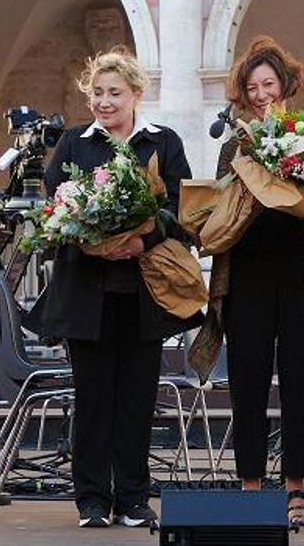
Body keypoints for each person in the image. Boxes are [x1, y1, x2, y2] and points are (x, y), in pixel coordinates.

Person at [25, 47, 203, 528]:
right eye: (98, 93)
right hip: (87, 293)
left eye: (114, 93)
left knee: (137, 399)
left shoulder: (161, 143)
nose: (104, 102)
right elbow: (54, 209)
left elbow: (181, 213)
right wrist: (86, 235)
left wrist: (140, 239)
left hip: (145, 293)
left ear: (136, 94)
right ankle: (91, 500)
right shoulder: (73, 144)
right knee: (94, 397)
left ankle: (133, 498)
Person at [191, 36, 304, 527]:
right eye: (252, 86)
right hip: (247, 276)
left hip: (301, 275)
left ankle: (298, 489)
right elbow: (217, 206)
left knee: (301, 383)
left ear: (285, 85)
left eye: (268, 84)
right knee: (248, 385)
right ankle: (251, 487)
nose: (259, 94)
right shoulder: (234, 142)